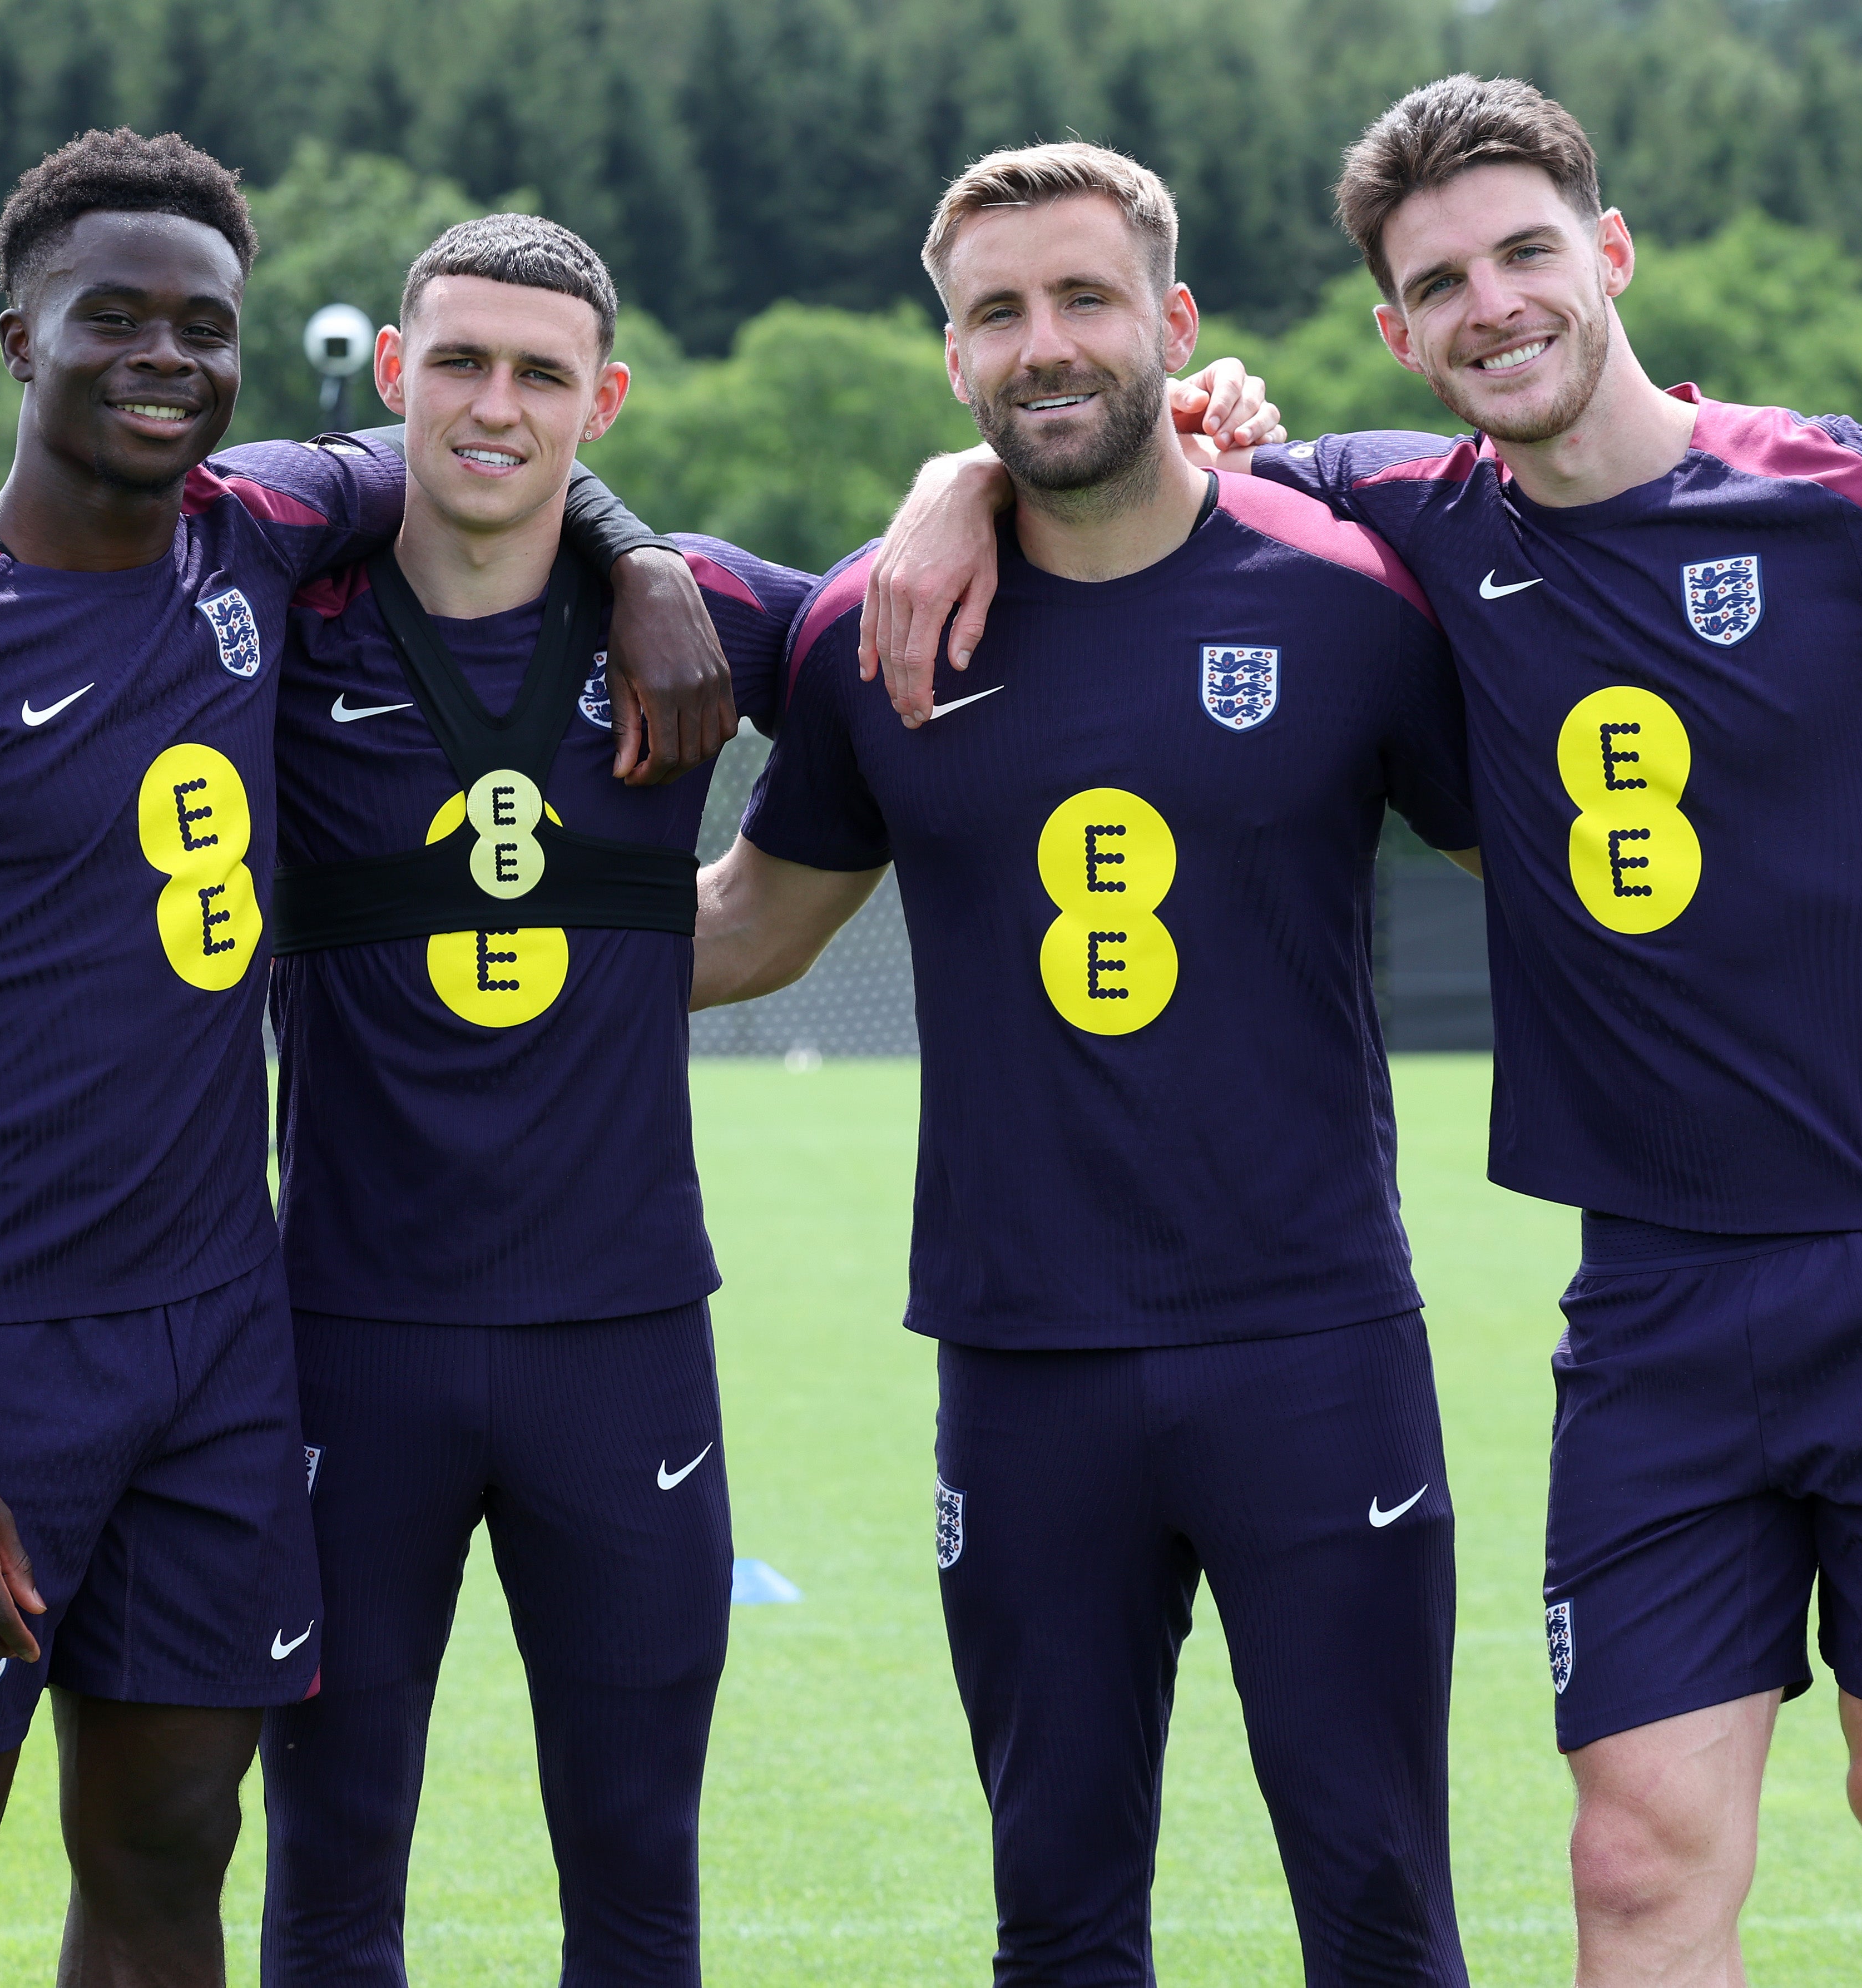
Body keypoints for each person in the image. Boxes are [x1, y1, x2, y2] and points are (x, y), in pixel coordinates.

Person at [862, 78, 1862, 1988]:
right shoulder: (1394, 521)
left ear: (1606, 253)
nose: (1492, 305)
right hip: (1658, 1302)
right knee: (1636, 1862)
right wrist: (947, 492)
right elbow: (1111, 461)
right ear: (1397, 334)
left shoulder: (1855, 493)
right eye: (1440, 283)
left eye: (1524, 253)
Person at [0, 129, 731, 1985]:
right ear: (20, 336)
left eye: (205, 323)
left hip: (225, 1353)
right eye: (114, 319)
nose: (165, 354)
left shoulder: (260, 537)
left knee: (177, 1844)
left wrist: (636, 550)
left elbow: (491, 451)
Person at [692, 141, 1484, 1986]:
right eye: (995, 314)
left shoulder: (1354, 597)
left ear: (1174, 321)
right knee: (1056, 1923)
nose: (1043, 345)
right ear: (950, 357)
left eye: (1082, 300)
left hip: (1312, 1347)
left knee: (1380, 1913)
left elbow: (1564, 881)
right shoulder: (873, 626)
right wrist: (410, 966)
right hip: (1024, 1362)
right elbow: (750, 929)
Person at [255, 215, 813, 1985]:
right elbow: (15, 555)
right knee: (331, 1875)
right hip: (348, 1337)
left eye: (544, 374)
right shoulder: (282, 603)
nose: (497, 405)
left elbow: (932, 656)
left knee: (639, 1879)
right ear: (398, 373)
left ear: (609, 400)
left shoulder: (707, 608)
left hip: (624, 1338)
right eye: (464, 363)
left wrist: (959, 479)